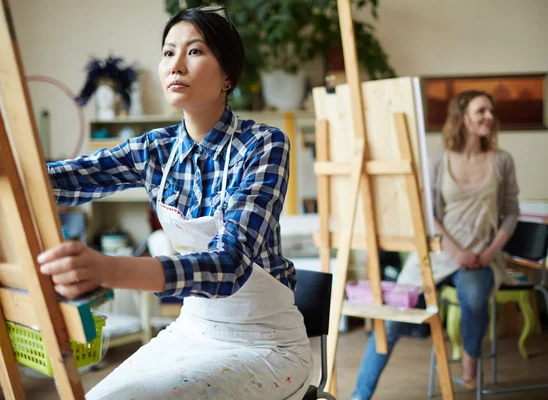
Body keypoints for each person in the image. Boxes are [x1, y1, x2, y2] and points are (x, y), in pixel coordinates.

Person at [37, 7, 312, 400]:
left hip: (264, 343)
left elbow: (229, 263)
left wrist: (106, 268)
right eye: (168, 53)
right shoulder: (155, 149)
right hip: (192, 330)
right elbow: (69, 178)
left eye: (195, 52)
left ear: (228, 77)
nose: (176, 65)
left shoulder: (263, 145)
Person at [350, 90, 520, 400]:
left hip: (483, 258)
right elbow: (428, 214)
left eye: (491, 111)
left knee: (473, 294)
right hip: (439, 255)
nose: (489, 117)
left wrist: (489, 252)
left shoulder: (502, 160)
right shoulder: (438, 161)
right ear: (462, 117)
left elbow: (511, 212)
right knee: (391, 321)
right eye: (482, 110)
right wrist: (456, 251)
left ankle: (470, 361)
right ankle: (359, 395)